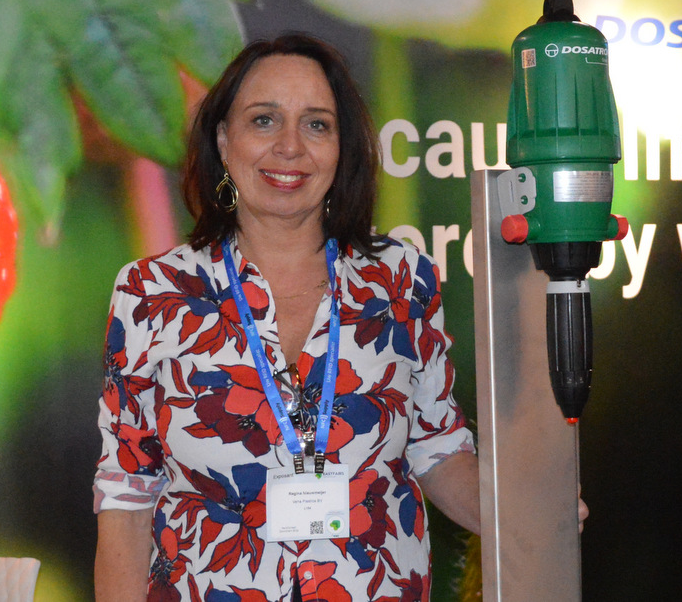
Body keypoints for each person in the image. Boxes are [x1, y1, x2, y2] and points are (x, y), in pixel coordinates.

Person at [94, 34, 480, 601]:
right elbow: (126, 495)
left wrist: (531, 514)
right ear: (224, 140)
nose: (291, 146)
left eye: (317, 124)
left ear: (342, 148)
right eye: (264, 120)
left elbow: (438, 449)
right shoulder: (153, 292)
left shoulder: (401, 279)